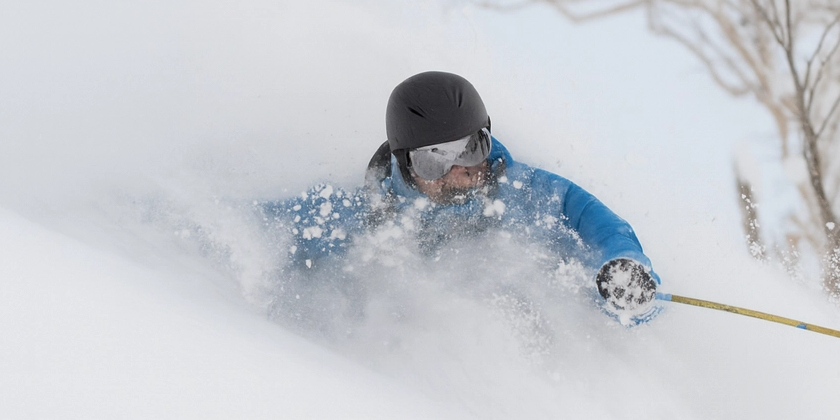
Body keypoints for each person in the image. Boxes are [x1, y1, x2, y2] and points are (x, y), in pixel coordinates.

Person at [275, 71, 660, 322]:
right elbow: (269, 229)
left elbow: (587, 215)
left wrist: (624, 268)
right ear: (405, 164)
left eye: (472, 148)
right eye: (434, 161)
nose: (460, 171)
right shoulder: (363, 216)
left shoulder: (518, 191)